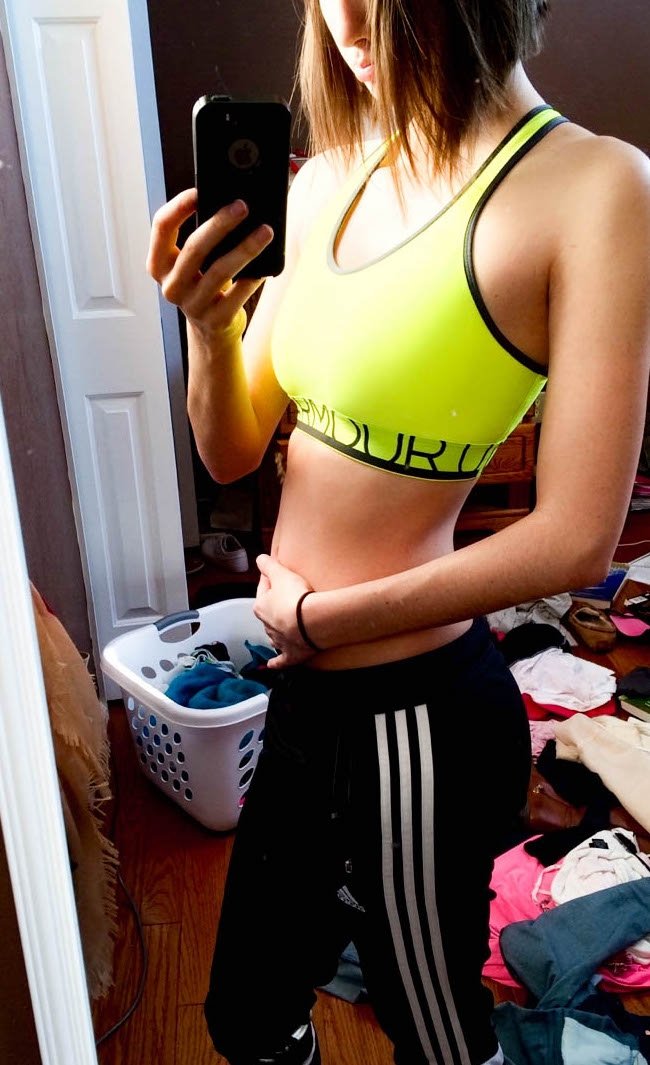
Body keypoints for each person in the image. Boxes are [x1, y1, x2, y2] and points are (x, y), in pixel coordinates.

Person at [146, 1, 650, 1061]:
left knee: (436, 1035)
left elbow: (577, 540)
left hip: (416, 716)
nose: (346, 18)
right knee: (246, 1014)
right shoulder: (324, 180)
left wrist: (323, 619)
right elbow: (230, 450)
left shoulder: (594, 187)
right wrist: (208, 325)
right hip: (302, 691)